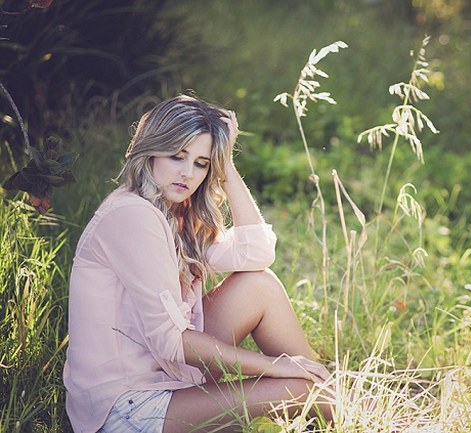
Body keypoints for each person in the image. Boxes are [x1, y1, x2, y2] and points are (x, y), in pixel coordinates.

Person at [63, 94, 332, 433]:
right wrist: (273, 367)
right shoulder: (132, 215)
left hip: (166, 374)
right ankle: (331, 402)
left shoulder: (175, 211)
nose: (187, 173)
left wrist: (228, 167)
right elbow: (170, 341)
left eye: (202, 163)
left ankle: (325, 396)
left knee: (258, 285)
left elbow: (256, 254)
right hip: (126, 407)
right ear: (151, 150)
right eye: (177, 156)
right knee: (299, 390)